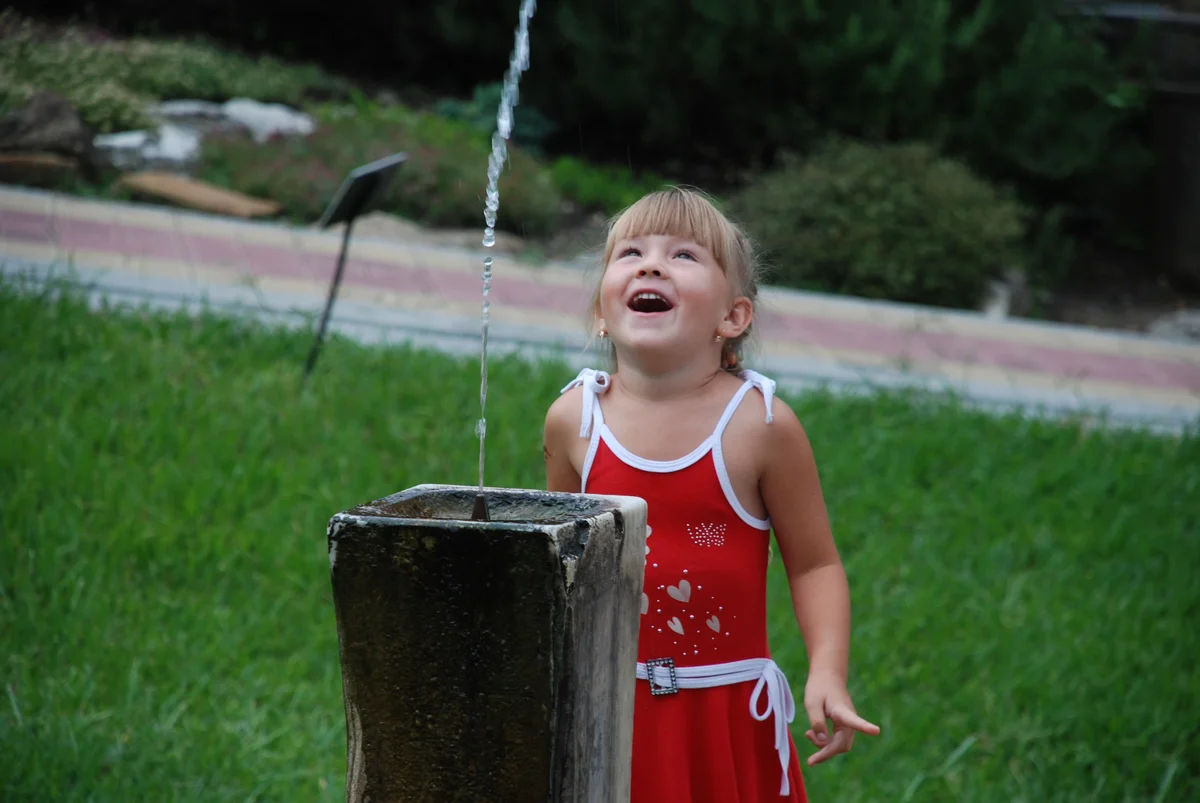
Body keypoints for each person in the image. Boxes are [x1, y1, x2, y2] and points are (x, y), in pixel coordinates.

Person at [543, 187, 879, 802]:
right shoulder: (574, 420)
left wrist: (827, 671)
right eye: (632, 252)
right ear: (600, 311)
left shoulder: (761, 426)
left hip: (723, 716)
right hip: (609, 708)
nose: (651, 265)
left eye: (685, 255)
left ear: (734, 318)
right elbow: (559, 568)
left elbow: (815, 563)